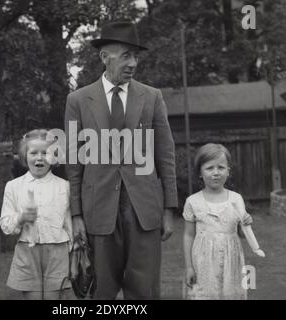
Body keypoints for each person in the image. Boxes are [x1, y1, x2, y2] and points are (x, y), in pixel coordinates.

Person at [64, 21, 178, 299]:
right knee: (101, 291)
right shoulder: (78, 100)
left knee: (144, 292)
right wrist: (76, 214)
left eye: (136, 56)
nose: (133, 63)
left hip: (144, 211)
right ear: (105, 57)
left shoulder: (152, 97)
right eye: (126, 55)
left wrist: (168, 208)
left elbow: (165, 154)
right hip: (98, 212)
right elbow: (73, 163)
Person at [0, 129, 73, 300]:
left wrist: (74, 247)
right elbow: (6, 223)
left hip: (58, 252)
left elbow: (69, 223)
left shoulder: (64, 187)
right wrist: (21, 217)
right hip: (27, 252)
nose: (39, 157)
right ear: (25, 156)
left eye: (45, 152)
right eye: (33, 152)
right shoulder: (13, 186)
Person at [183, 143, 260, 300]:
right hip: (203, 261)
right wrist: (189, 266)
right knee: (205, 294)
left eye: (221, 167)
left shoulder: (236, 198)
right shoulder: (192, 201)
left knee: (232, 294)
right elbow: (188, 235)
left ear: (228, 171)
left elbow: (242, 230)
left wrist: (247, 221)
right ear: (200, 172)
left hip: (232, 259)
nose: (216, 172)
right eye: (210, 168)